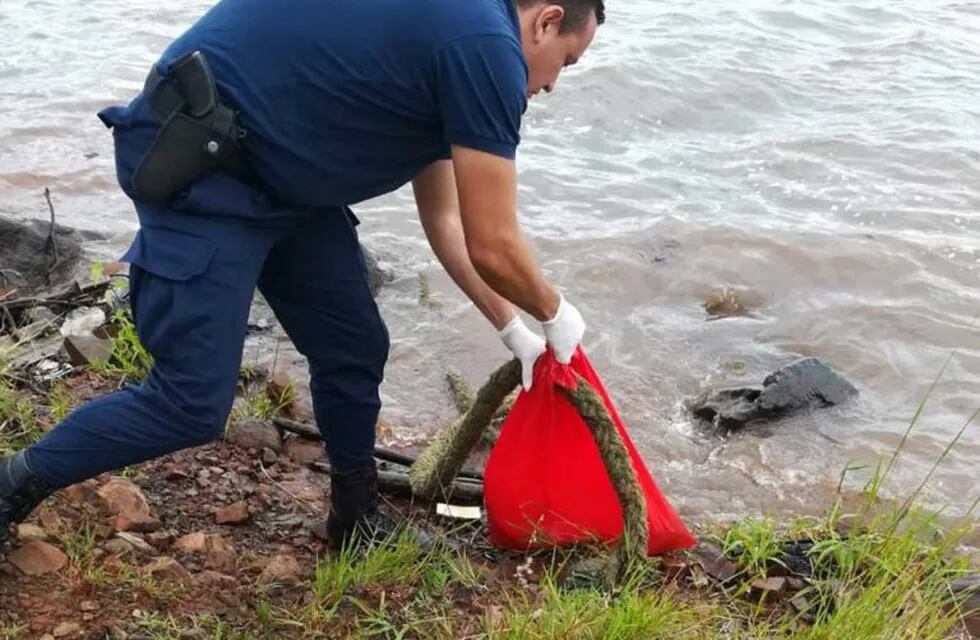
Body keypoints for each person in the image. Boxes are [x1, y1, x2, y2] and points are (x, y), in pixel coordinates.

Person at [0, 0, 602, 552]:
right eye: (565, 63)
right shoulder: (485, 46)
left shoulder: (459, 35)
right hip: (207, 165)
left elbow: (447, 223)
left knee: (353, 345)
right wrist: (554, 312)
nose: (549, 84)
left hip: (285, 177)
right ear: (546, 20)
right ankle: (13, 481)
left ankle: (355, 516)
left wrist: (513, 331)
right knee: (188, 403)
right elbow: (493, 243)